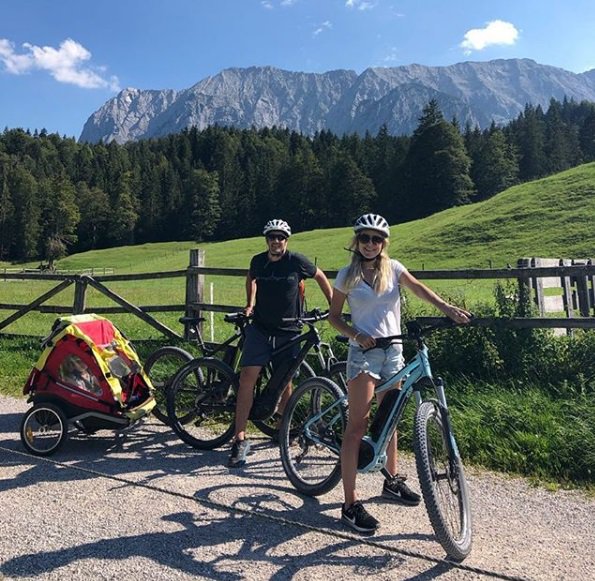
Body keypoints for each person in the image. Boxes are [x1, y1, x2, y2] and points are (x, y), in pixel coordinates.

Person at [328, 213, 471, 534]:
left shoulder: (393, 269)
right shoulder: (346, 275)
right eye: (364, 238)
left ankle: (391, 481)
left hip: (394, 352)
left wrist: (447, 309)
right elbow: (334, 317)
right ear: (357, 240)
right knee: (357, 426)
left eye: (376, 239)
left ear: (383, 243)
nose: (369, 244)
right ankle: (349, 504)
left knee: (389, 418)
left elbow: (419, 289)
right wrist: (355, 334)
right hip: (363, 354)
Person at [228, 219, 333, 467]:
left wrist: (333, 306)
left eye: (281, 237)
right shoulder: (258, 261)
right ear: (267, 240)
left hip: (289, 331)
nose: (276, 241)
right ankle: (239, 438)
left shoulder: (296, 261)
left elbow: (320, 276)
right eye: (272, 237)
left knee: (284, 382)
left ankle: (283, 430)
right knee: (247, 378)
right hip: (261, 330)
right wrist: (250, 304)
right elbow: (250, 278)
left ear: (287, 240)